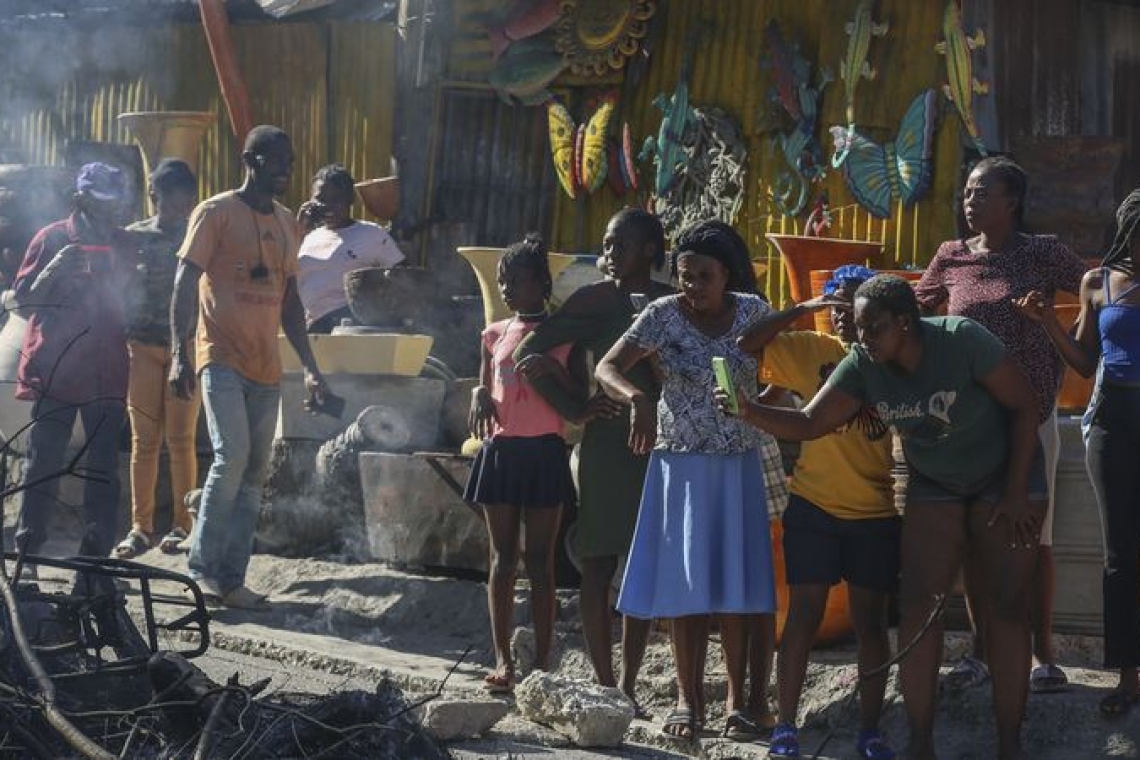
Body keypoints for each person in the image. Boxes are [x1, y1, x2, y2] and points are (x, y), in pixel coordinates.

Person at [720, 274, 1046, 760]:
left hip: (1007, 476)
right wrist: (747, 411)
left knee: (1004, 609)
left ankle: (1009, 744)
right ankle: (920, 744)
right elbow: (812, 422)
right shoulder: (861, 364)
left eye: (874, 328)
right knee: (918, 609)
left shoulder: (961, 339)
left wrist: (1018, 492)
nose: (862, 337)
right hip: (936, 481)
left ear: (906, 323)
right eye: (859, 327)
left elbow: (1026, 406)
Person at [596, 221, 780, 741]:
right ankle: (687, 698)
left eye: (704, 276)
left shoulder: (752, 312)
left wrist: (769, 410)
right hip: (681, 464)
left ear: (726, 276)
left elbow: (790, 364)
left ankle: (739, 702)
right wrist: (637, 399)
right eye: (685, 276)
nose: (693, 286)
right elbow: (608, 367)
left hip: (739, 462)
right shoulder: (660, 316)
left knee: (736, 585)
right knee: (687, 587)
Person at [916, 156, 1086, 694]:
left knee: (1033, 539)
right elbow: (911, 314)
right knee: (975, 540)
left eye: (981, 192)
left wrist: (1057, 324)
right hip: (969, 425)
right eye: (967, 192)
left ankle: (1043, 656)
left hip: (1031, 415)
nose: (969, 201)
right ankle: (979, 653)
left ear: (1011, 201)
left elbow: (1098, 291)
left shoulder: (1042, 252)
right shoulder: (952, 257)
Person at [512, 208, 671, 711]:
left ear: (649, 249)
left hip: (663, 450)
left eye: (619, 244)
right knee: (598, 564)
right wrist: (575, 407)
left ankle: (629, 684)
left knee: (641, 567)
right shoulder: (595, 299)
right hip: (606, 446)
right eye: (606, 244)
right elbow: (530, 355)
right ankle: (605, 684)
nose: (609, 253)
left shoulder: (671, 302)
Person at [737, 264, 898, 759]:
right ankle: (786, 726)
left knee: (870, 623)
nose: (844, 312)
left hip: (875, 511)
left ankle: (870, 730)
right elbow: (746, 344)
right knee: (803, 615)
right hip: (815, 506)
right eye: (836, 302)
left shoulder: (894, 359)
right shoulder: (811, 349)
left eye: (854, 302)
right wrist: (802, 310)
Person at [169, 125, 330, 610]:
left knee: (256, 473)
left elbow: (291, 302)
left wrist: (310, 367)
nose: (286, 169)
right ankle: (200, 572)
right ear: (250, 160)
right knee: (231, 455)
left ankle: (231, 579)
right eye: (276, 160)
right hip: (219, 357)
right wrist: (180, 351)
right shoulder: (215, 212)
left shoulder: (286, 223)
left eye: (291, 161)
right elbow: (184, 280)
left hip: (266, 366)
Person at [1013, 188, 1140, 717]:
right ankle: (1127, 678)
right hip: (1113, 421)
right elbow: (1085, 363)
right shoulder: (1098, 283)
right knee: (1119, 556)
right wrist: (1046, 322)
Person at [464, 234, 585, 694]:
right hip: (501, 453)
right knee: (502, 559)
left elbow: (578, 400)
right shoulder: (493, 334)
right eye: (503, 281)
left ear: (542, 282)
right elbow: (483, 390)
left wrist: (551, 369)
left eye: (517, 280)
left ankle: (543, 660)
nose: (508, 288)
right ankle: (501, 659)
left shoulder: (563, 336)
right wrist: (476, 392)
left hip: (545, 453)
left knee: (540, 561)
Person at [12, 162, 135, 560]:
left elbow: (136, 306)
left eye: (114, 204)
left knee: (103, 470)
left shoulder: (126, 244)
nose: (109, 212)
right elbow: (23, 303)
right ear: (80, 199)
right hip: (58, 370)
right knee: (44, 464)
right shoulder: (51, 239)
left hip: (107, 371)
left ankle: (96, 559)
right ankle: (28, 554)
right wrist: (51, 271)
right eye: (101, 203)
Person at [114, 159, 201, 559]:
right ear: (154, 197)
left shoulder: (200, 236)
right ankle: (140, 528)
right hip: (141, 349)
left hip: (188, 348)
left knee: (182, 440)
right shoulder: (131, 238)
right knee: (143, 441)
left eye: (186, 205)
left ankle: (184, 526)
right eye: (171, 204)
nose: (178, 213)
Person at [296, 163, 405, 333]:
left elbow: (403, 278)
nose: (328, 206)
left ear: (350, 199)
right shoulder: (305, 237)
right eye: (320, 199)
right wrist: (298, 231)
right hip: (308, 330)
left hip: (348, 328)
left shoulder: (371, 235)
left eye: (335, 199)